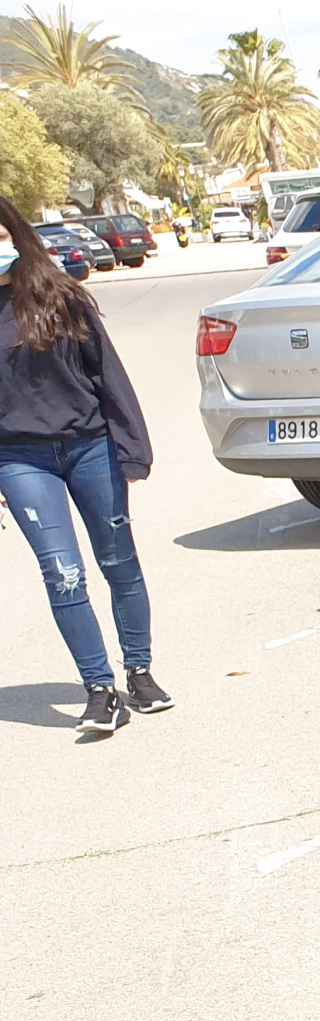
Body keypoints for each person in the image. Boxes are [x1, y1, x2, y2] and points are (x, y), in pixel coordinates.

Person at [0, 192, 166, 736]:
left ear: (16, 237)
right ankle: (100, 690)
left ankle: (139, 673)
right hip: (20, 459)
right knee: (63, 574)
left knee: (119, 562)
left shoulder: (60, 296)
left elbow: (107, 376)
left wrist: (131, 449)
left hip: (90, 446)